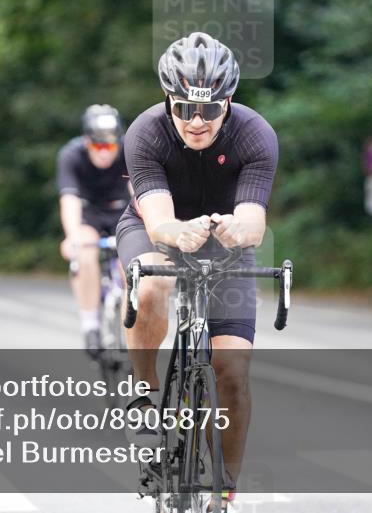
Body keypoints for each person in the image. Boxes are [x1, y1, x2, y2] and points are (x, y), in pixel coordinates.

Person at [117, 32, 278, 507]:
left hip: (224, 240)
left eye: (210, 110)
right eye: (185, 108)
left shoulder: (255, 134)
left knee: (231, 371)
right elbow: (158, 215)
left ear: (230, 101)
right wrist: (175, 231)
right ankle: (144, 392)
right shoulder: (145, 132)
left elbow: (253, 218)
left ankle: (224, 493)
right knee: (154, 284)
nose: (197, 121)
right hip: (157, 227)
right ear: (169, 99)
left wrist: (236, 230)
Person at [56, 105, 130, 358]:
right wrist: (72, 236)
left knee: (132, 262)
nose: (105, 152)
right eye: (98, 146)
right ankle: (90, 324)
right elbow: (69, 200)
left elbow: (139, 192)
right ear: (87, 141)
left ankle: (131, 321)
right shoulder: (71, 155)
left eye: (110, 146)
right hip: (89, 213)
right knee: (85, 253)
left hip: (122, 211)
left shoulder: (130, 149)